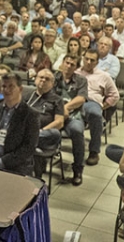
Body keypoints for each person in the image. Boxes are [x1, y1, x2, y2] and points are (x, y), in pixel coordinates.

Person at [0, 72, 40, 176]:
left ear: (20, 89)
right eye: (4, 86)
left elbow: (29, 147)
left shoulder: (31, 115)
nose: (7, 90)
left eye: (11, 86)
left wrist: (1, 162)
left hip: (15, 166)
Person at [78, 49, 120, 166]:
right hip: (75, 102)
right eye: (86, 59)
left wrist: (102, 107)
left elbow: (115, 95)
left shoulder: (104, 76)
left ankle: (94, 151)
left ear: (97, 62)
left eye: (92, 60)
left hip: (92, 102)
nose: (88, 62)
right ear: (83, 59)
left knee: (96, 115)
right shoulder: (75, 73)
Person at [22, 70, 64, 178]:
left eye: (47, 79)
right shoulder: (26, 94)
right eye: (41, 77)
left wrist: (39, 131)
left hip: (44, 134)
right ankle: (31, 143)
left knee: (55, 133)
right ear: (35, 79)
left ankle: (29, 140)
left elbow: (59, 122)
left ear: (53, 84)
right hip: (24, 130)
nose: (43, 80)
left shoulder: (57, 100)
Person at [53, 55, 87, 185]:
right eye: (67, 63)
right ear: (62, 63)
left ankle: (78, 169)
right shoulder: (54, 77)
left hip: (73, 115)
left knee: (77, 131)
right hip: (53, 114)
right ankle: (39, 163)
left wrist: (65, 108)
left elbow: (81, 99)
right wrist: (59, 111)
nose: (68, 66)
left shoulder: (81, 80)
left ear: (76, 67)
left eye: (72, 64)